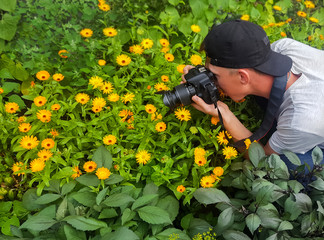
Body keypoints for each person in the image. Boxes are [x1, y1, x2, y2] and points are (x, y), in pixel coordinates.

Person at [183, 19, 324, 175]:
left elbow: (262, 160)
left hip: (311, 128)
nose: (212, 81)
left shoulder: (300, 120)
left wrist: (225, 116)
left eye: (214, 76)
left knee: (289, 167)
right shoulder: (284, 48)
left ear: (243, 77)